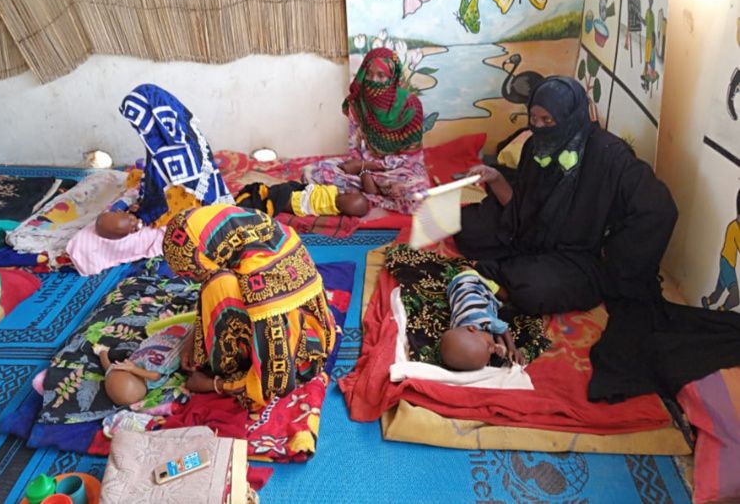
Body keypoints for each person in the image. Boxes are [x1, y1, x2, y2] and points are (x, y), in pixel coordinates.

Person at [453, 76, 678, 316]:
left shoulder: (610, 156)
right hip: (532, 234)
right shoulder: (535, 146)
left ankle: (520, 278)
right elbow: (522, 208)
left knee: (532, 289)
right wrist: (496, 177)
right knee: (466, 228)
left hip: (578, 254)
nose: (538, 127)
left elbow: (659, 209)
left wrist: (614, 258)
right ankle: (520, 269)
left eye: (547, 120)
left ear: (570, 117)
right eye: (533, 119)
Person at [163, 203, 336, 410]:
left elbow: (276, 382)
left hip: (298, 358)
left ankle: (230, 365)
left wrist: (214, 384)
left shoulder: (261, 292)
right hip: (311, 327)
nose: (197, 280)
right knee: (217, 281)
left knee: (218, 285)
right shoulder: (256, 231)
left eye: (196, 274)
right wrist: (193, 339)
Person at [302, 47, 430, 214]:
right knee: (311, 172)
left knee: (418, 196)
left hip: (400, 171)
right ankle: (372, 195)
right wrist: (364, 172)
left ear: (393, 78)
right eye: (368, 74)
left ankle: (363, 198)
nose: (373, 81)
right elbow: (354, 144)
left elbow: (410, 157)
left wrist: (365, 166)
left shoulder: (410, 107)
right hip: (363, 168)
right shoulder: (358, 103)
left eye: (381, 76)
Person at [119, 83, 234, 228]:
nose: (138, 127)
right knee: (136, 177)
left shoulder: (167, 149)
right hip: (205, 197)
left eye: (138, 120)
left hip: (190, 209)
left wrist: (142, 214)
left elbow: (162, 192)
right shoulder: (183, 130)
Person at [440, 268, 525, 371]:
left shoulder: (481, 318)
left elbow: (502, 328)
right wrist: (499, 346)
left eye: (489, 346)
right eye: (490, 353)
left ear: (472, 329)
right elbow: (493, 331)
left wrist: (512, 348)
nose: (492, 350)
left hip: (473, 280)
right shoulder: (460, 330)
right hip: (454, 287)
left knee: (506, 296)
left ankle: (476, 269)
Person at [95, 323, 192, 406]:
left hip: (159, 339)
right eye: (124, 370)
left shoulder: (126, 368)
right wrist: (133, 369)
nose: (122, 366)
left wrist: (102, 353)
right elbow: (156, 376)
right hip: (179, 342)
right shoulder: (150, 381)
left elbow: (109, 368)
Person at [236, 180, 369, 218]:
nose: (349, 191)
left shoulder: (333, 198)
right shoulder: (335, 209)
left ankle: (266, 201)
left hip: (295, 200)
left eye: (351, 194)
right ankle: (268, 197)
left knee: (283, 190)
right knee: (290, 186)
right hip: (300, 198)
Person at [701, 189, 739, 311]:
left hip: (726, 262)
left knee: (718, 293)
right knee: (735, 298)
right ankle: (721, 312)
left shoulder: (735, 227)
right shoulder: (735, 228)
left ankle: (707, 302)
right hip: (727, 263)